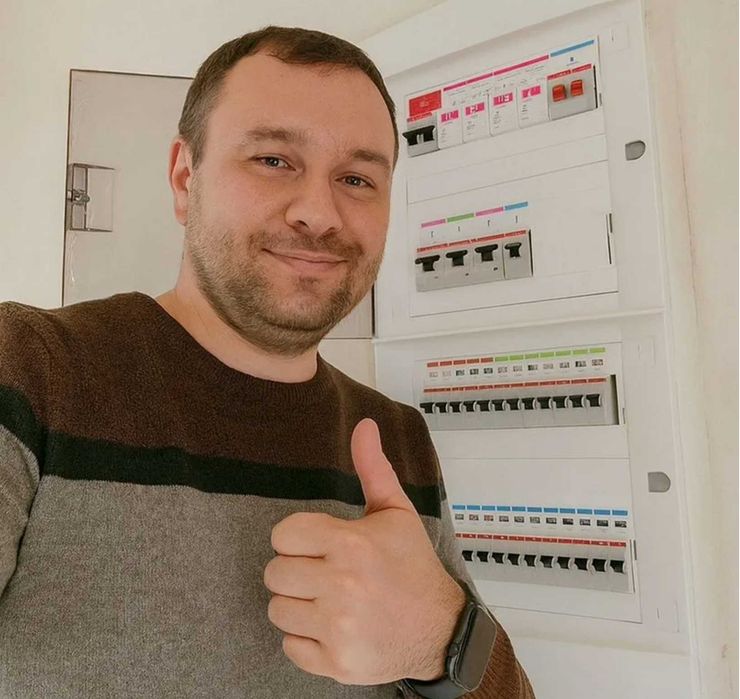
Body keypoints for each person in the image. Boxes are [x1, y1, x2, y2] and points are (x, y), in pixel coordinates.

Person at [0, 26, 534, 698]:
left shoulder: (397, 440)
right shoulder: (30, 368)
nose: (318, 212)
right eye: (274, 160)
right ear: (185, 177)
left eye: (357, 178)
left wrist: (440, 636)